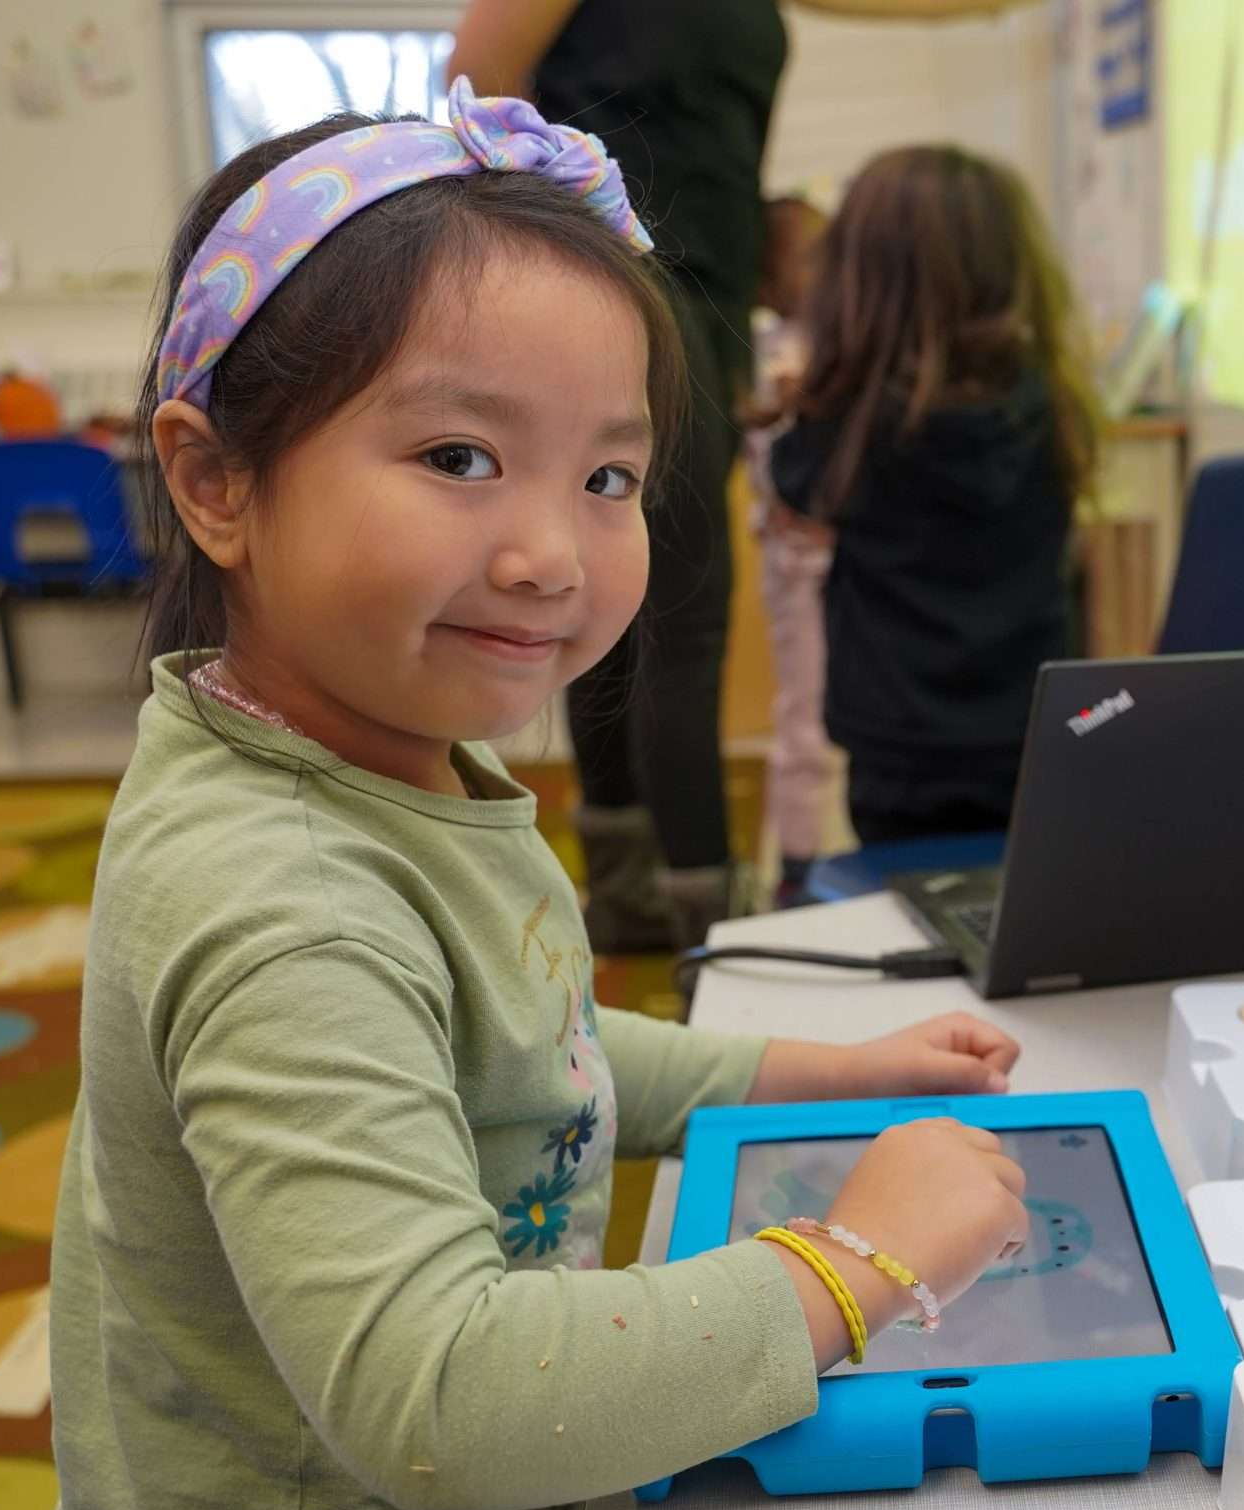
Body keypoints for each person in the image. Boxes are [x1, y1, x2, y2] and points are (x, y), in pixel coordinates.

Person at [54, 85, 1030, 1510]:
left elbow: (538, 1057)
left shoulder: (391, 752)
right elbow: (436, 1394)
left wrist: (822, 1073)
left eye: (608, 478)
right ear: (216, 483)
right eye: (459, 457)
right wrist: (858, 1268)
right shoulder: (281, 895)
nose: (551, 556)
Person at [452, 0, 789, 951]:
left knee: (637, 612)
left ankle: (638, 897)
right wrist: (555, 274)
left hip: (710, 301)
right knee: (674, 622)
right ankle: (710, 930)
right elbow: (476, 86)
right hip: (624, 286)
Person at [770, 145, 1102, 845]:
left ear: (860, 280)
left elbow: (793, 485)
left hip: (897, 752)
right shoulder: (1050, 406)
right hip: (1040, 730)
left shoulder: (848, 423)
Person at [743, 193, 835, 902]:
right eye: (803, 257)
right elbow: (757, 428)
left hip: (846, 562)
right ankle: (797, 871)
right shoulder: (766, 348)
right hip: (797, 566)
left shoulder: (849, 341)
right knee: (802, 718)